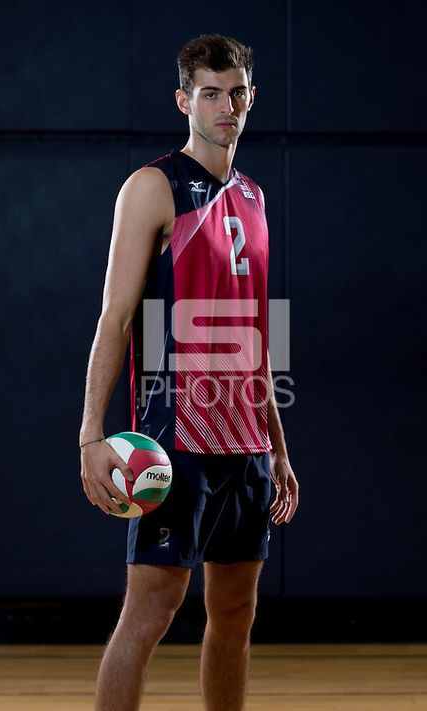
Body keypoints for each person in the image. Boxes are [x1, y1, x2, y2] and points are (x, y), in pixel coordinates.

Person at [79, 33, 299, 711]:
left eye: (237, 92)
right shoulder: (153, 187)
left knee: (235, 613)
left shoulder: (257, 199)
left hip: (248, 450)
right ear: (185, 100)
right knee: (150, 611)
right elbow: (115, 318)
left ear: (251, 97)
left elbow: (260, 337)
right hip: (176, 446)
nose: (225, 105)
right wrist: (91, 434)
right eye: (210, 93)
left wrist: (280, 449)